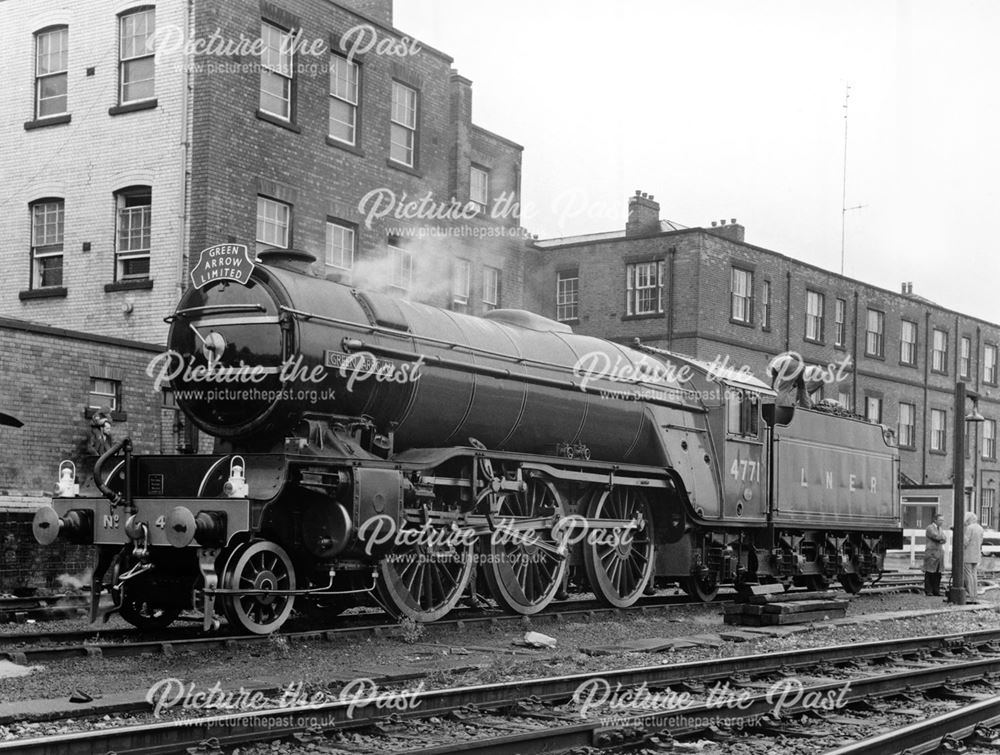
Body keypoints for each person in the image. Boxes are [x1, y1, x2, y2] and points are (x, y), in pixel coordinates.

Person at [923, 512, 946, 596]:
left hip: (939, 553)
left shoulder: (940, 529)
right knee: (930, 572)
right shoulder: (930, 528)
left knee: (937, 573)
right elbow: (936, 537)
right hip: (932, 553)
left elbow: (945, 539)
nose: (941, 522)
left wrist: (942, 538)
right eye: (940, 520)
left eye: (942, 520)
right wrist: (941, 538)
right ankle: (928, 590)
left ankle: (936, 590)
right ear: (935, 520)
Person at [964, 511, 985, 602]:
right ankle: (974, 593)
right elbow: (981, 541)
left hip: (968, 554)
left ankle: (970, 594)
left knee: (968, 574)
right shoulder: (980, 528)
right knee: (974, 574)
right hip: (976, 554)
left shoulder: (969, 528)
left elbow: (965, 541)